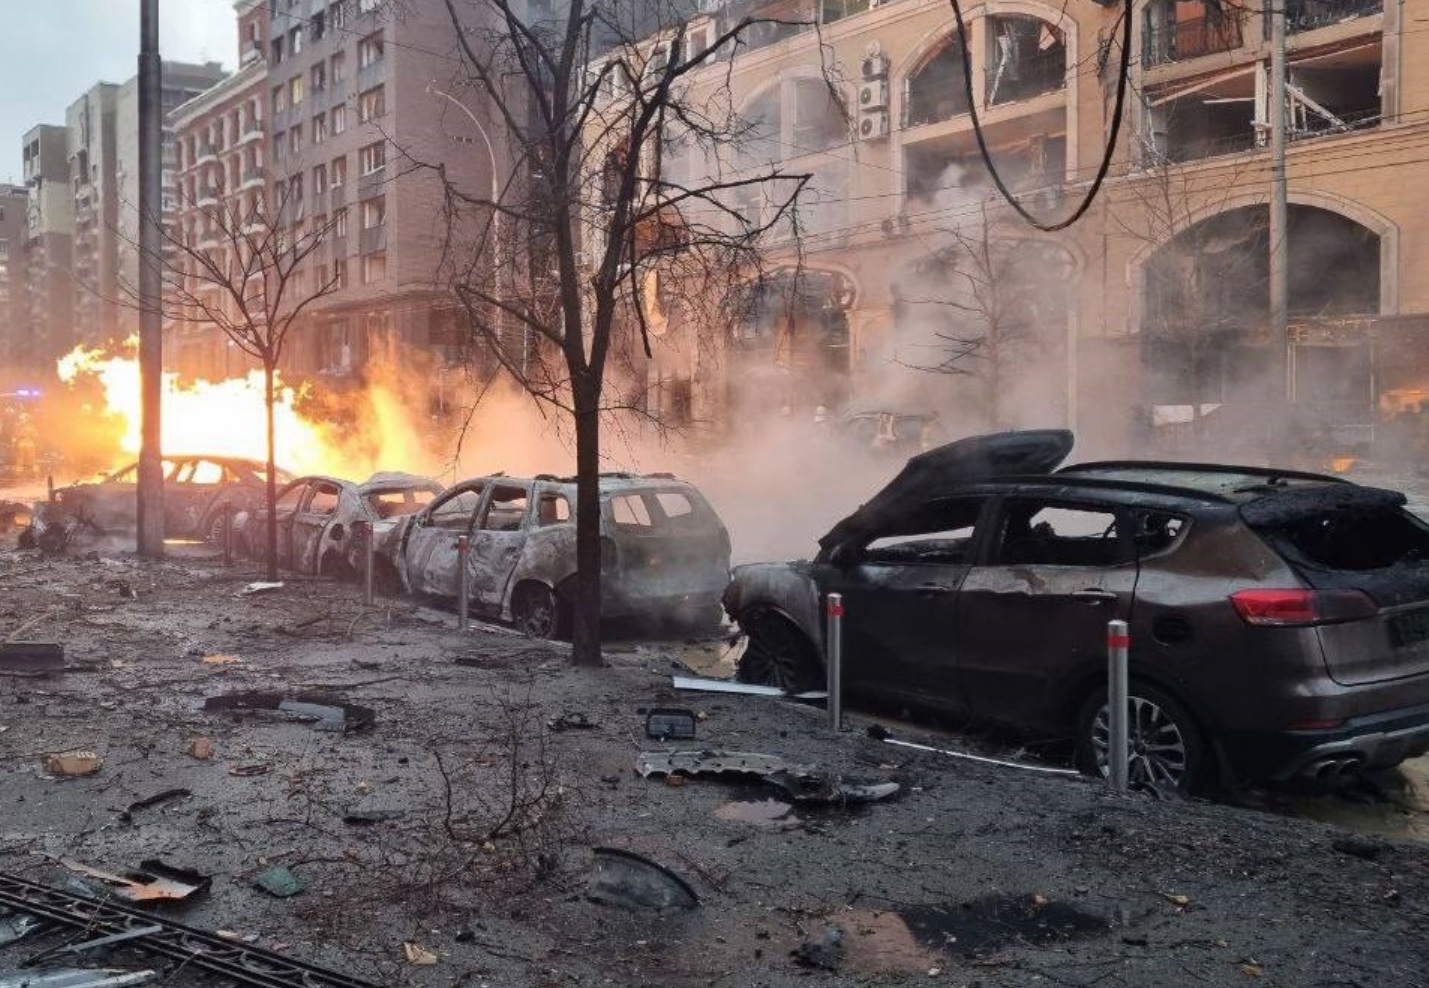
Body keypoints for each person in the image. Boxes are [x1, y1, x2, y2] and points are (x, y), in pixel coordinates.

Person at [13, 411, 37, 477]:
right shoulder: (18, 425)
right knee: (20, 457)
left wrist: (32, 434)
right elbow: (15, 434)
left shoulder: (31, 426)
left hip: (29, 442)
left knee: (31, 457)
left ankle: (32, 470)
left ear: (27, 419)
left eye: (23, 418)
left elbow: (35, 434)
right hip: (21, 442)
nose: (21, 419)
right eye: (21, 418)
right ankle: (19, 471)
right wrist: (15, 439)